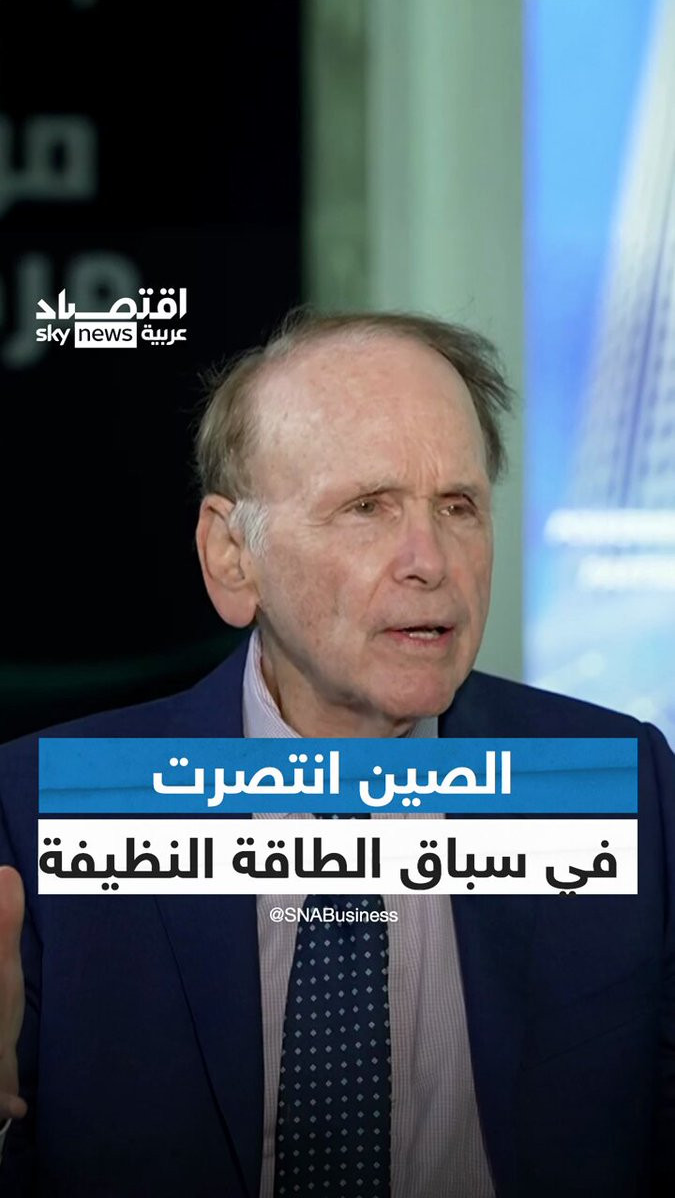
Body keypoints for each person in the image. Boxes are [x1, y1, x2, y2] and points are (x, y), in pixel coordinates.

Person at [0, 310, 673, 1198]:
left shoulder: (619, 784)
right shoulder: (47, 810)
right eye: (367, 508)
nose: (429, 561)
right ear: (232, 557)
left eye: (457, 507)